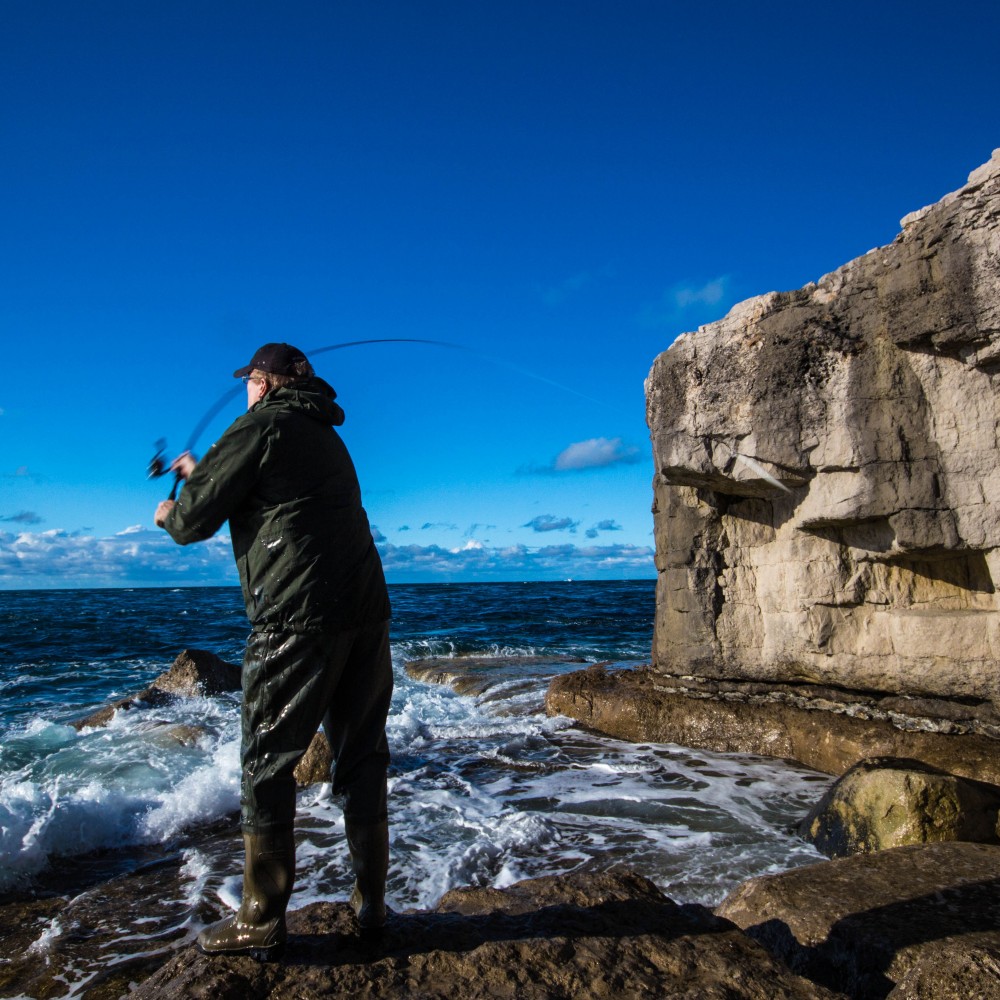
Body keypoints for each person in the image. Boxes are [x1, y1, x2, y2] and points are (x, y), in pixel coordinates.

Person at [154, 342, 393, 961]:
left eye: (251, 382)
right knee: (362, 757)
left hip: (295, 616)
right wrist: (195, 472)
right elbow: (262, 486)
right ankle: (371, 908)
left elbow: (192, 524)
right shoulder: (323, 433)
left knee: (266, 764)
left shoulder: (260, 424)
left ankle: (260, 919)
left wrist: (169, 510)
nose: (248, 391)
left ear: (264, 382)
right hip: (365, 613)